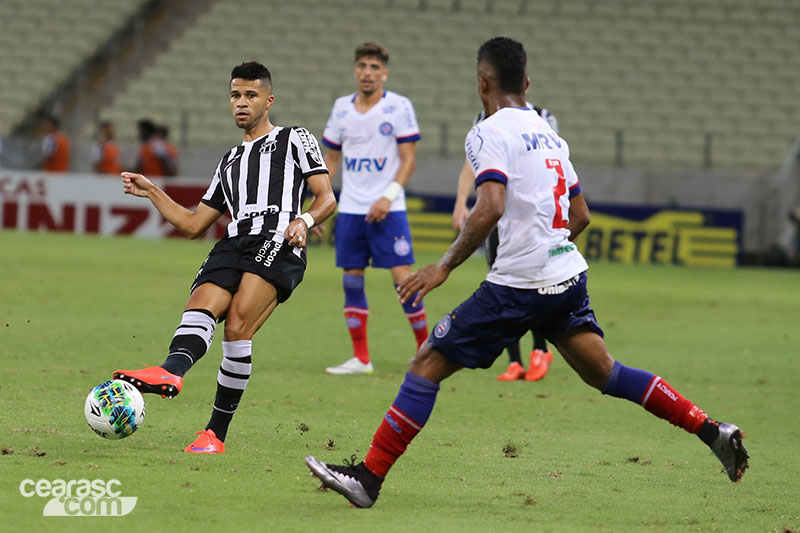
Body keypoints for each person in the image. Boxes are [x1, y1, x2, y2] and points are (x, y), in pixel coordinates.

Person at [305, 37, 749, 508]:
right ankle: (711, 430)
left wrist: (443, 266)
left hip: (518, 284)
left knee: (426, 364)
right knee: (606, 373)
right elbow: (581, 215)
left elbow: (490, 206)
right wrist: (549, 250)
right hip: (567, 277)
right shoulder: (549, 133)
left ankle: (368, 478)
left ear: (483, 83)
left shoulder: (487, 132)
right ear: (527, 83)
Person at [113, 61, 336, 454]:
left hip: (278, 237)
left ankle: (214, 434)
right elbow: (194, 223)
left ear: (269, 101)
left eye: (250, 95)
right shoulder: (229, 160)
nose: (241, 102)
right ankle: (171, 371)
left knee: (236, 328)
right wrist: (151, 192)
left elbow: (326, 197)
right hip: (234, 241)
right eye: (235, 95)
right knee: (200, 306)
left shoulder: (294, 137)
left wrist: (304, 220)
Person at [320, 41, 428, 375]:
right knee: (351, 280)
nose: (368, 73)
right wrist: (319, 202)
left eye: (374, 67)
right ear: (355, 70)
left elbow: (408, 159)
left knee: (404, 282)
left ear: (384, 73)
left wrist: (388, 196)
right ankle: (361, 359)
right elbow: (331, 159)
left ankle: (428, 353)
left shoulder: (399, 107)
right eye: (363, 66)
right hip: (351, 209)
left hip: (389, 210)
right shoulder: (341, 108)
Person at [452, 103, 559, 382]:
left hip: (531, 215)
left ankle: (540, 349)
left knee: (534, 279)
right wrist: (461, 202)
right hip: (499, 212)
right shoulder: (482, 118)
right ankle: (514, 361)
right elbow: (470, 164)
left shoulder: (541, 117)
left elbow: (552, 163)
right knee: (500, 278)